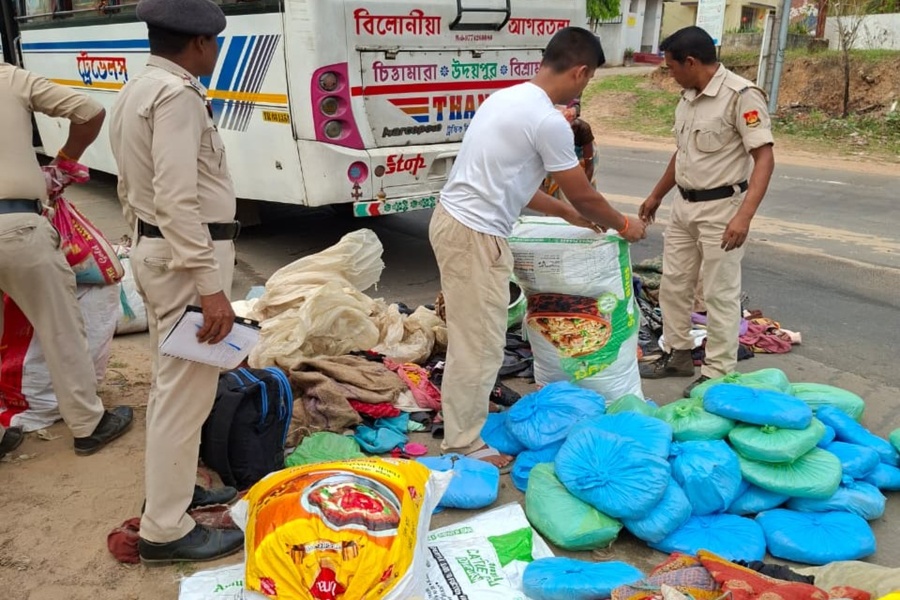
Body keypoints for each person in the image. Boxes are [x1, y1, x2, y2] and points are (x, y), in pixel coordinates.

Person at [430, 26, 647, 470]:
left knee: (478, 337)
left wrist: (565, 214)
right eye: (588, 80)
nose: (585, 88)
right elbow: (585, 193)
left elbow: (519, 187)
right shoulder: (547, 120)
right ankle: (461, 443)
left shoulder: (508, 98)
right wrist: (625, 225)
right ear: (581, 71)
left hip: (457, 224)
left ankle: (464, 415)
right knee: (481, 344)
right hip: (473, 235)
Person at [109, 0, 243, 564]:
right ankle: (165, 530)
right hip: (188, 261)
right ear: (197, 45)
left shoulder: (137, 89)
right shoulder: (177, 96)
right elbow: (176, 197)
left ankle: (177, 493)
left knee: (176, 389)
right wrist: (209, 286)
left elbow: (135, 188)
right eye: (214, 44)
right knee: (185, 396)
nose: (215, 52)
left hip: (164, 254)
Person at [0, 63, 134, 458]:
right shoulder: (8, 77)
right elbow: (88, 110)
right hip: (15, 227)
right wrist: (62, 163)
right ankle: (88, 424)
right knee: (60, 327)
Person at [638, 26, 775, 397]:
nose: (670, 75)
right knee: (674, 285)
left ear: (692, 62)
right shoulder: (689, 96)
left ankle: (716, 372)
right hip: (684, 205)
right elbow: (683, 152)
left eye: (671, 68)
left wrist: (743, 216)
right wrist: (656, 196)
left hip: (722, 208)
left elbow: (763, 157)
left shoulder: (740, 96)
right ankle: (678, 353)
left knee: (720, 293)